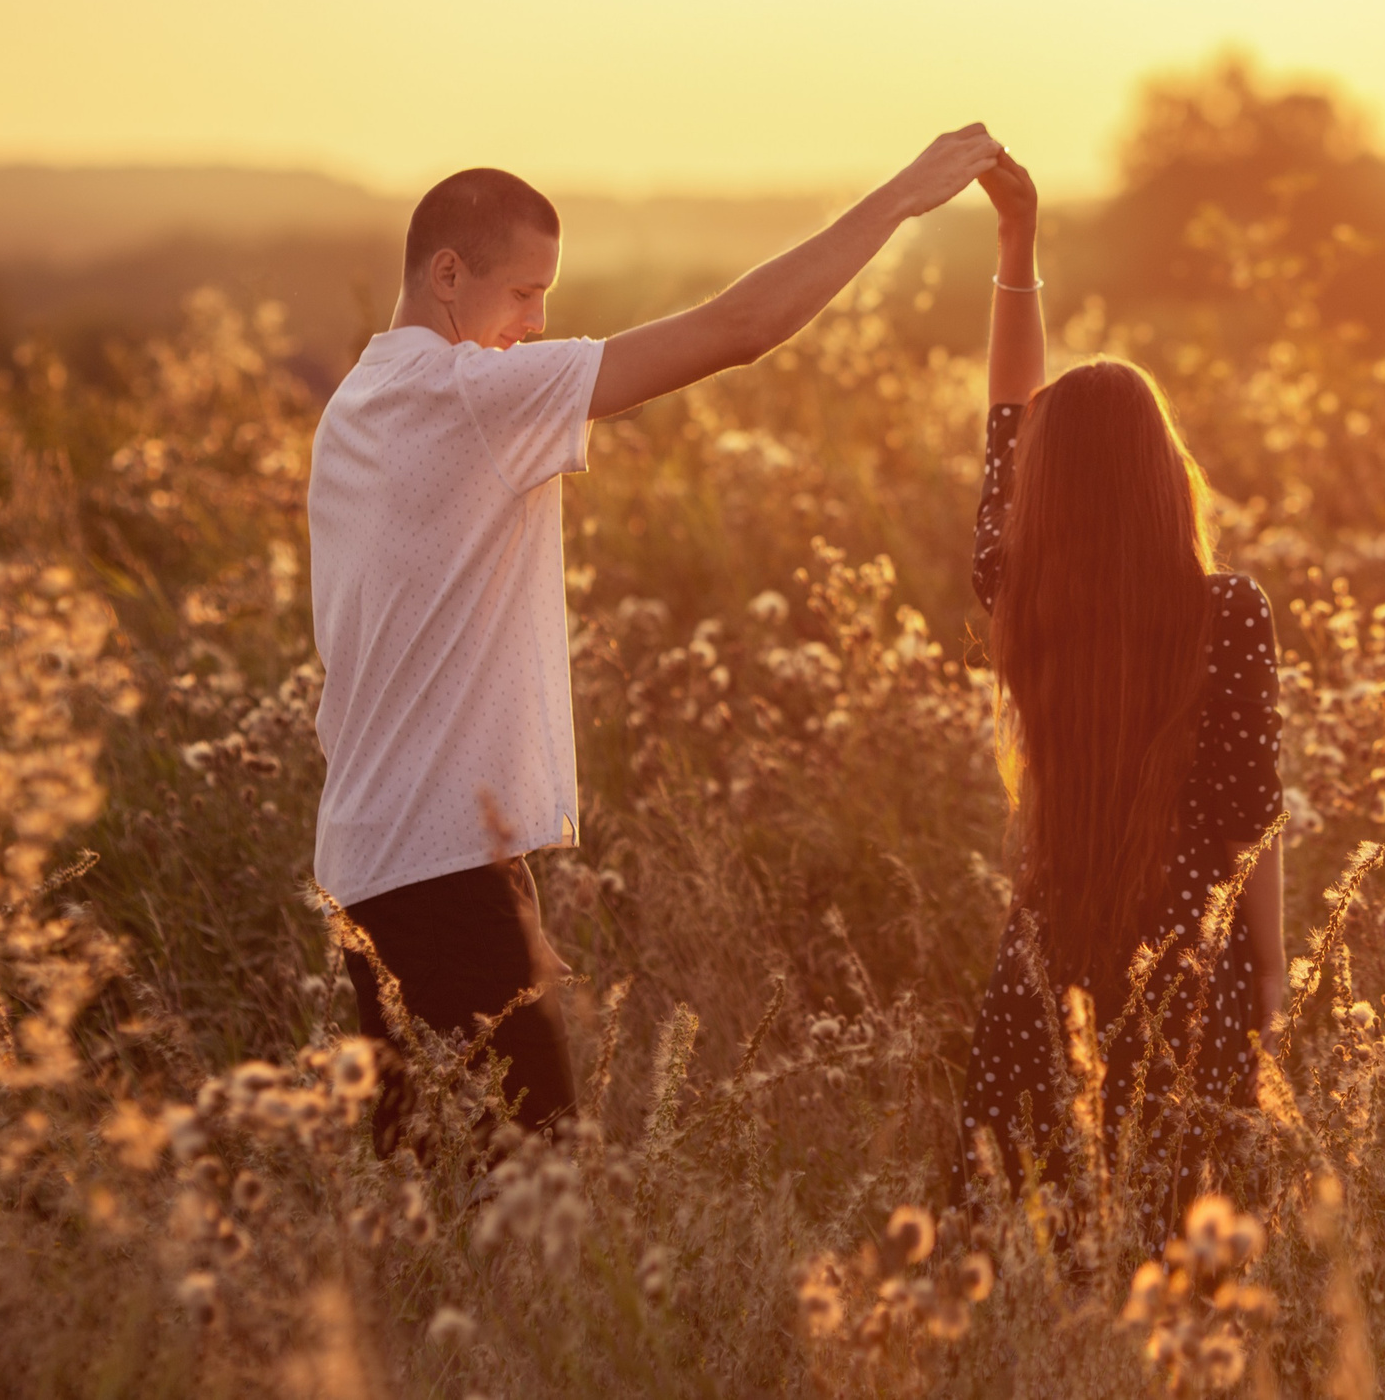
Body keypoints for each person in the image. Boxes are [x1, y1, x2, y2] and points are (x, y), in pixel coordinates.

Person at [308, 127, 1004, 1153]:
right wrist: (901, 198)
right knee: (530, 1204)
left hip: (374, 856)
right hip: (438, 866)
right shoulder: (466, 395)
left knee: (435, 1202)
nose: (537, 323)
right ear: (446, 273)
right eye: (522, 293)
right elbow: (740, 327)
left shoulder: (358, 400)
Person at [951, 150, 1286, 1214]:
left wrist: (1017, 247)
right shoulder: (1224, 611)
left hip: (1051, 955)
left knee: (1026, 1227)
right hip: (1196, 971)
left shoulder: (1022, 593)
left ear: (1042, 488)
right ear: (1164, 470)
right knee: (1188, 1245)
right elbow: (1251, 821)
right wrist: (1270, 977)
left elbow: (1010, 416)